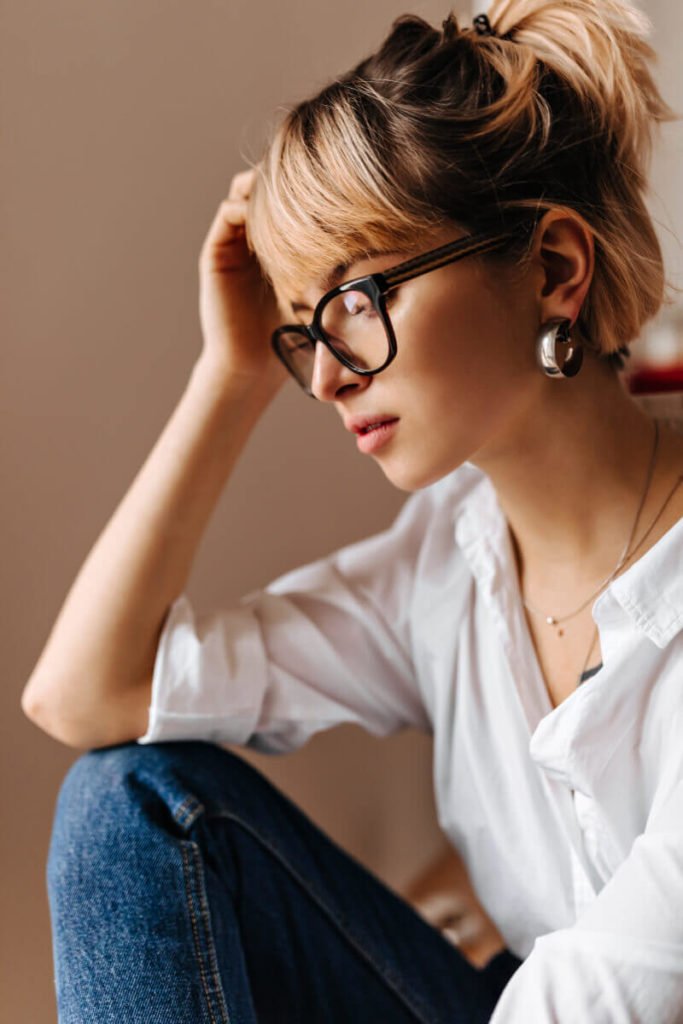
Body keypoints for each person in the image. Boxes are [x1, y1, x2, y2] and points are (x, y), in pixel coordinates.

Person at [22, 0, 683, 1020]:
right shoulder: (448, 563)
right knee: (128, 805)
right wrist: (229, 376)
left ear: (551, 267)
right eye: (300, 327)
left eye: (358, 298)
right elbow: (86, 694)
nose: (325, 377)